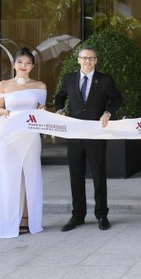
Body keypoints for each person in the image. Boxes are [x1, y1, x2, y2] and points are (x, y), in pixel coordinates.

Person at [54, 45, 124, 232]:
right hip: (75, 135)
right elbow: (59, 98)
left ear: (96, 61)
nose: (87, 61)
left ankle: (102, 215)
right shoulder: (69, 79)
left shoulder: (105, 80)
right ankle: (78, 215)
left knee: (99, 176)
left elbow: (118, 99)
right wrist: (60, 110)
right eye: (84, 58)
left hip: (96, 134)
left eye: (91, 58)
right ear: (78, 60)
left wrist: (108, 112)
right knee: (75, 176)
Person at [0, 48, 47, 239]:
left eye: (28, 63)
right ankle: (9, 220)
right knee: (10, 176)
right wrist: (5, 113)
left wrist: (43, 109)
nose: (23, 66)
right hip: (9, 135)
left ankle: (28, 218)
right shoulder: (3, 85)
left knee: (31, 175)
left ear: (33, 66)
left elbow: (40, 110)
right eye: (20, 63)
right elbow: (0, 109)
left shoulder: (40, 85)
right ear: (14, 64)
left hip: (30, 135)